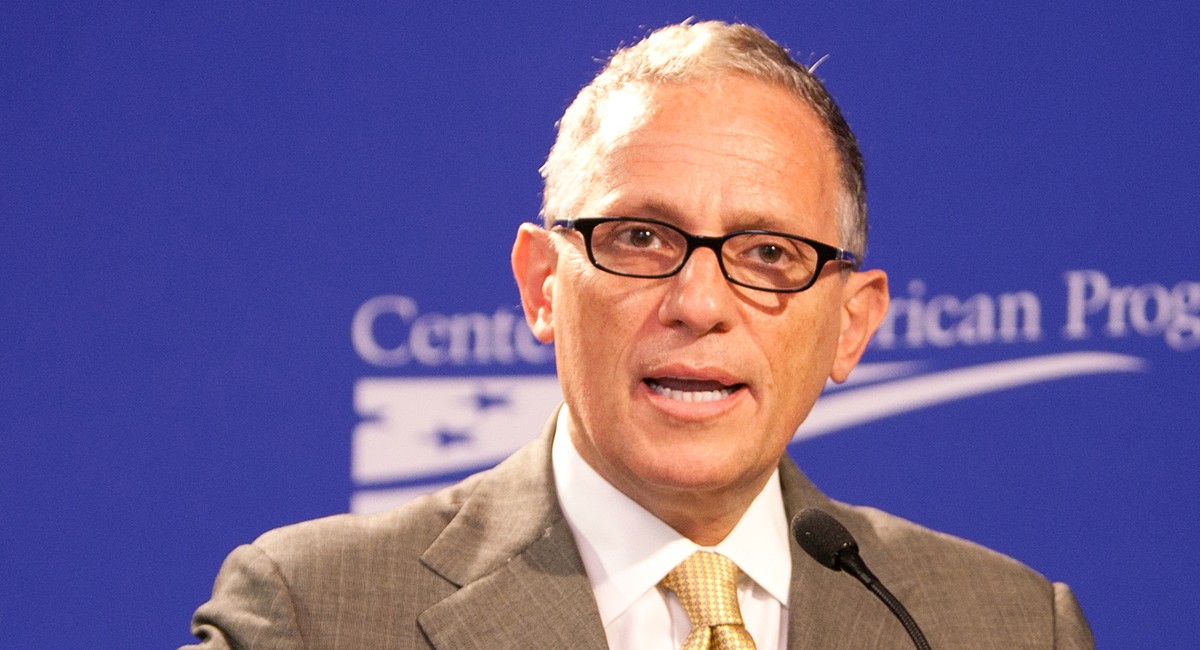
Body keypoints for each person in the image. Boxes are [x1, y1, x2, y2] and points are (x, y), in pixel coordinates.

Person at [183, 21, 1095, 649]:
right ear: (543, 285)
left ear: (850, 326)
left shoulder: (1001, 624)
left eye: (771, 252)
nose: (699, 302)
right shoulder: (316, 616)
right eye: (641, 238)